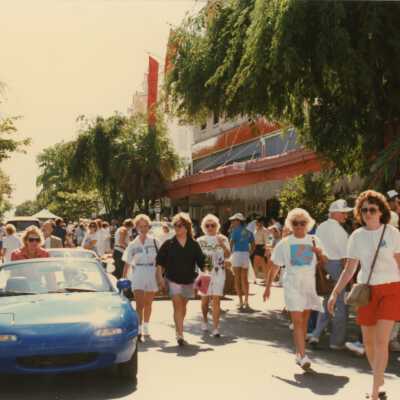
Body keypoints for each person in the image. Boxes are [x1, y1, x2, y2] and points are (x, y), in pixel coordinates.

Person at [328, 190, 400, 400]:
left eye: (372, 209)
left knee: (380, 341)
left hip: (391, 289)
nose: (368, 213)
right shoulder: (356, 236)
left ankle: (375, 392)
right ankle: (379, 378)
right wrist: (335, 293)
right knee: (368, 342)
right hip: (366, 292)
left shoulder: (393, 233)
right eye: (364, 209)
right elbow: (349, 269)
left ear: (381, 212)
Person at [264, 208, 326, 370]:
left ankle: (299, 354)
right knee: (297, 320)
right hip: (292, 285)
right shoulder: (285, 243)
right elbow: (275, 267)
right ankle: (303, 355)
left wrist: (319, 253)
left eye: (302, 223)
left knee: (304, 320)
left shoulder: (314, 240)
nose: (299, 226)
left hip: (309, 285)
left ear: (308, 224)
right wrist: (268, 287)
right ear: (290, 224)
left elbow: (324, 261)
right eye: (295, 223)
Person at [156, 213, 205, 346]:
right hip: (172, 279)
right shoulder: (168, 243)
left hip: (189, 280)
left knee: (183, 307)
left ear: (186, 227)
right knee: (177, 305)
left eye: (179, 225)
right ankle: (179, 335)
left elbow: (203, 262)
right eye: (175, 225)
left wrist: (213, 269)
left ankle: (179, 328)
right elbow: (159, 262)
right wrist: (160, 278)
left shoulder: (194, 244)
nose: (176, 228)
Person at [309, 199, 352, 349]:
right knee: (341, 304)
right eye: (343, 213)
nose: (346, 216)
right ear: (334, 213)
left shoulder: (321, 227)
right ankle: (336, 341)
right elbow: (346, 255)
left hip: (323, 265)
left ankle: (316, 334)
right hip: (337, 266)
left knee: (327, 301)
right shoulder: (339, 230)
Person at [122, 214, 160, 342]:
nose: (143, 229)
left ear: (149, 227)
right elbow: (127, 263)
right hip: (138, 272)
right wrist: (123, 279)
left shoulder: (155, 241)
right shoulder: (133, 244)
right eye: (140, 226)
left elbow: (161, 262)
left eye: (145, 226)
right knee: (139, 304)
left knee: (148, 303)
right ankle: (138, 330)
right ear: (136, 227)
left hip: (151, 271)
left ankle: (146, 326)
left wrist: (160, 277)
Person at [197, 214, 231, 337]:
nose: (210, 227)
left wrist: (221, 244)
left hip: (219, 272)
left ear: (217, 226)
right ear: (203, 227)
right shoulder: (200, 240)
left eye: (213, 225)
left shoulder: (223, 238)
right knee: (204, 300)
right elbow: (196, 258)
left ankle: (216, 328)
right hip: (204, 273)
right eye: (207, 225)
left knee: (216, 300)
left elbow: (227, 255)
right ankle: (205, 320)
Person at [229, 213, 255, 311]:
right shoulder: (249, 232)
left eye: (234, 220)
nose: (232, 222)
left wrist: (231, 254)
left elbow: (231, 243)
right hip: (245, 255)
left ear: (238, 221)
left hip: (237, 255)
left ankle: (240, 301)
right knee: (245, 279)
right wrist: (249, 254)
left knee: (237, 279)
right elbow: (253, 244)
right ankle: (246, 301)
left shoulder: (234, 231)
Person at [253, 217, 270, 282]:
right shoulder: (255, 230)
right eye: (256, 222)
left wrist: (266, 249)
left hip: (262, 247)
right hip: (256, 246)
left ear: (261, 223)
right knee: (257, 263)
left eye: (258, 222)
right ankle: (256, 278)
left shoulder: (264, 230)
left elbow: (267, 240)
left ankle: (265, 278)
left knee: (261, 263)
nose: (256, 223)